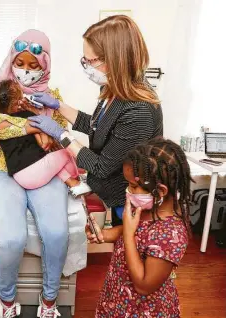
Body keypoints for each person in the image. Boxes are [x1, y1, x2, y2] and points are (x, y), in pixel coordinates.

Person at [18, 15, 163, 229]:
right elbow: (98, 126)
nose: (86, 66)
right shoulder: (113, 88)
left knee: (130, 254)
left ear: (116, 59)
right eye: (84, 59)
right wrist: (59, 105)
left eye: (91, 60)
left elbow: (102, 167)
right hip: (116, 191)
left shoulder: (138, 110)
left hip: (134, 200)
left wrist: (61, 135)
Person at [0, 29, 71, 318]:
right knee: (13, 236)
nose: (26, 70)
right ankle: (6, 301)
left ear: (44, 65)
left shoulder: (51, 94)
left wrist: (48, 127)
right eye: (20, 62)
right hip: (1, 170)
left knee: (57, 233)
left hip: (38, 168)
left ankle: (49, 303)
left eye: (33, 64)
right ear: (11, 60)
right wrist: (32, 123)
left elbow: (60, 132)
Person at [86, 137, 192, 318]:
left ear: (161, 190)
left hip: (144, 312)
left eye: (133, 186)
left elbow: (144, 285)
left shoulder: (171, 233)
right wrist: (103, 234)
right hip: (122, 297)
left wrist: (130, 231)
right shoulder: (149, 207)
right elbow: (126, 231)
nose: (128, 191)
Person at [0, 79, 91, 197]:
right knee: (65, 153)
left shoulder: (0, 127)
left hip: (20, 177)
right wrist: (41, 123)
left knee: (53, 164)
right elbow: (44, 144)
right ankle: (75, 180)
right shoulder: (28, 116)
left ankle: (72, 183)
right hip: (36, 172)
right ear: (17, 102)